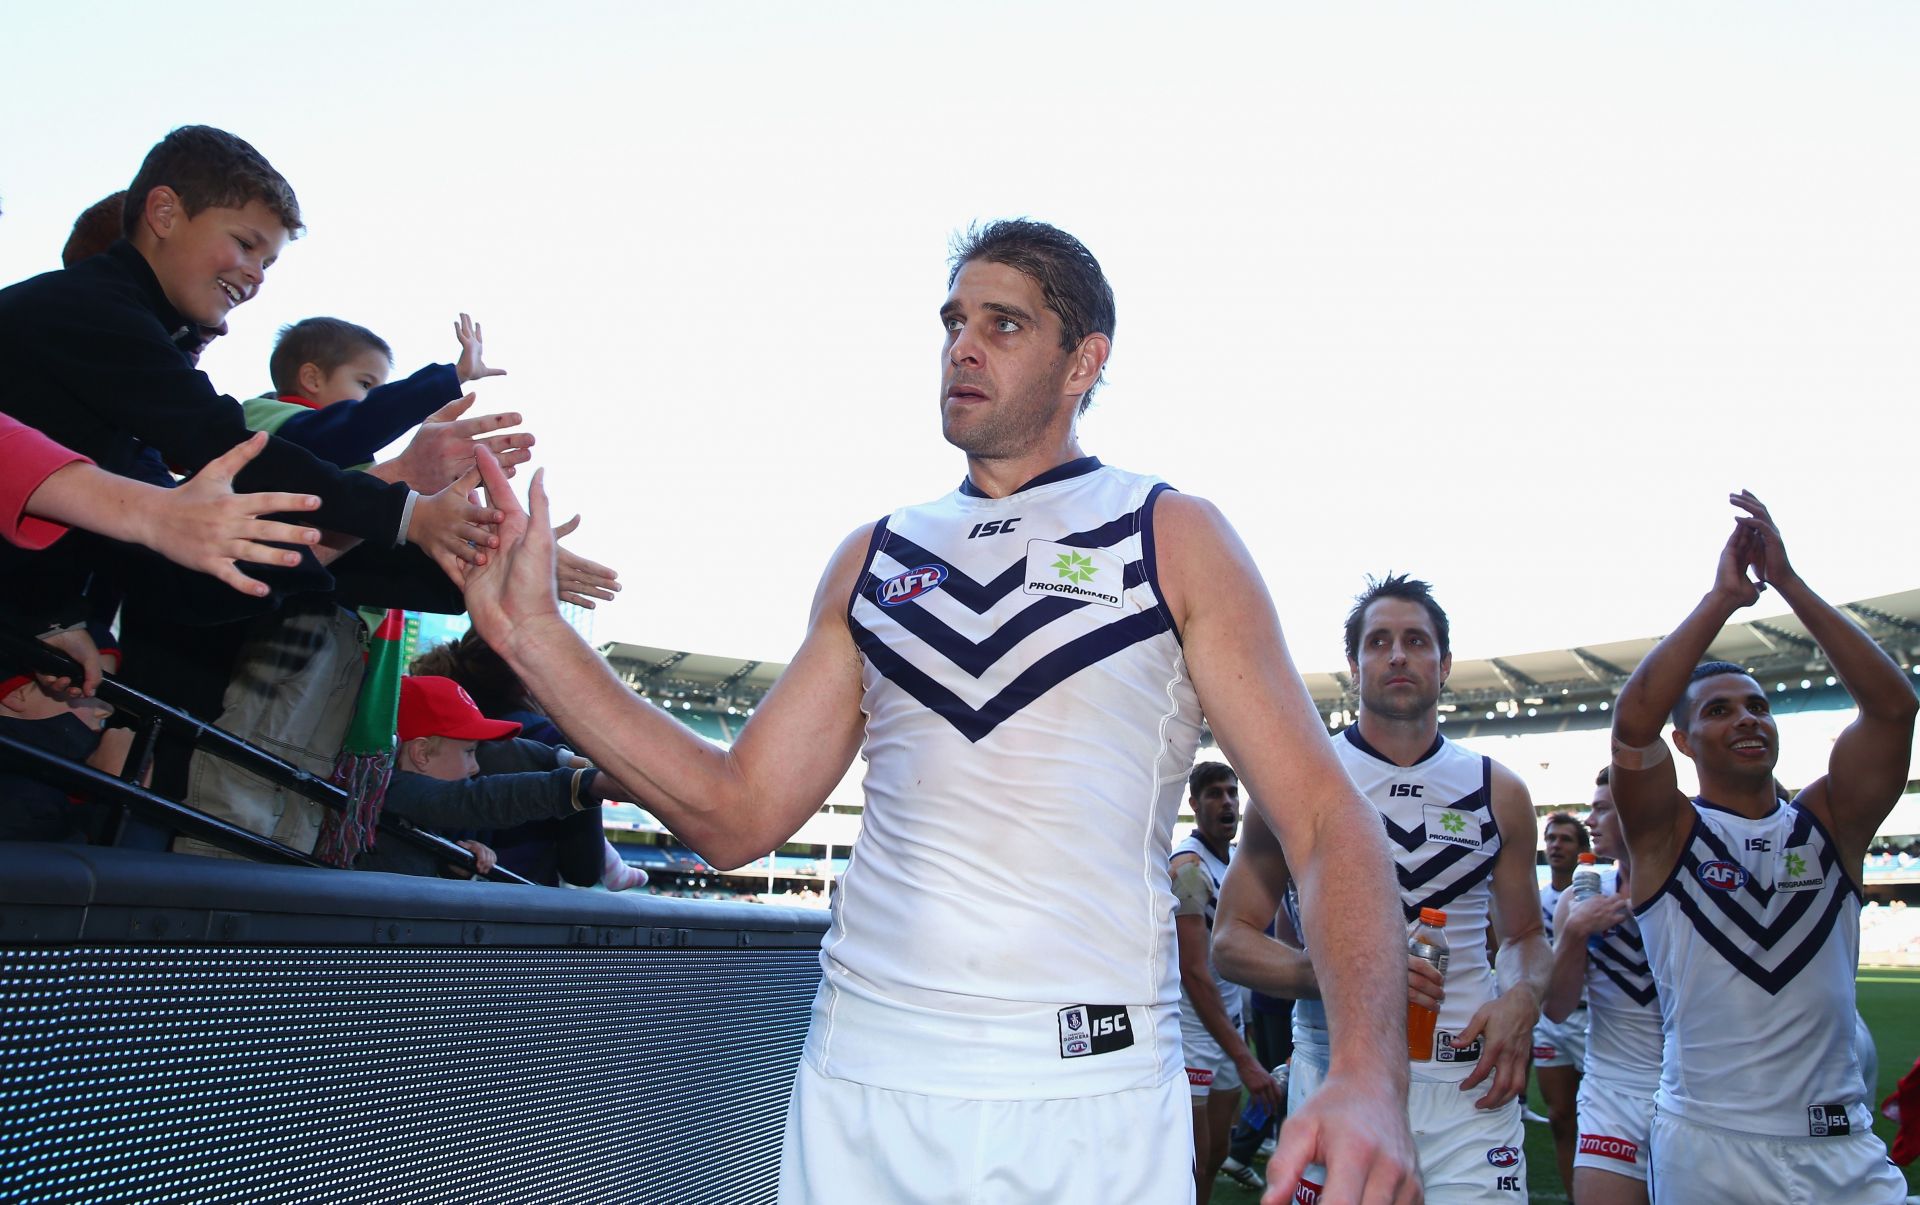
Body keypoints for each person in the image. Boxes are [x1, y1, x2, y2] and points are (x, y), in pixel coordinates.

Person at [454, 219, 1419, 1204]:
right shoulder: (874, 555)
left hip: (1085, 1090)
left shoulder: (1168, 532)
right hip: (863, 1080)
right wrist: (536, 636)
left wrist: (1371, 1077)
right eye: (955, 321)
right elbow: (735, 813)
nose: (962, 344)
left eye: (1004, 324)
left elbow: (1323, 818)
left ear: (1083, 360)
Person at [1607, 492, 1913, 1204]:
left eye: (1758, 706)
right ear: (1684, 742)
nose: (1747, 718)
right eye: (1718, 710)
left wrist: (1791, 585)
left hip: (1842, 1146)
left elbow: (1895, 708)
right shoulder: (1666, 833)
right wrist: (1722, 597)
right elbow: (1632, 726)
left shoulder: (1831, 821)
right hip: (1709, 1146)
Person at [1214, 573, 1549, 1203]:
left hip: (1470, 1088)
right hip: (1341, 1075)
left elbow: (1527, 936)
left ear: (1445, 664)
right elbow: (1229, 942)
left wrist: (1524, 996)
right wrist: (1338, 971)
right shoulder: (1299, 780)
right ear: (1354, 664)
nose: (1399, 655)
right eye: (1380, 642)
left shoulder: (1500, 791)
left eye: (1418, 642)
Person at [352, 675, 629, 879]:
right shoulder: (391, 789)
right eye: (469, 752)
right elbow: (479, 800)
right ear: (421, 754)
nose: (476, 767)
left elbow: (505, 752)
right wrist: (590, 784)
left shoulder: (400, 787)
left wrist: (452, 867)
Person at [1541, 769, 1657, 1205]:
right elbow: (1555, 1008)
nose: (1591, 821)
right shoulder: (1581, 895)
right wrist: (1573, 934)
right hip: (1611, 1088)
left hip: (1693, 1090)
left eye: (1602, 809)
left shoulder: (1695, 889)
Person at [1172, 761, 1282, 1201]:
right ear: (1195, 804)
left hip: (1229, 1022)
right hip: (1193, 1031)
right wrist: (1246, 1058)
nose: (1228, 803)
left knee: (1216, 1153)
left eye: (1233, 793)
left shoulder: (1235, 861)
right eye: (1215, 794)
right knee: (1194, 1161)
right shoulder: (1189, 868)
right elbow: (1194, 972)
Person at [1530, 810, 1589, 1193]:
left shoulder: (1596, 893)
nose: (1556, 846)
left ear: (1583, 848)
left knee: (1600, 1118)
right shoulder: (1535, 900)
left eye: (1566, 839)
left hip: (1592, 1018)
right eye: (1551, 838)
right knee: (1560, 1116)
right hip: (1549, 1022)